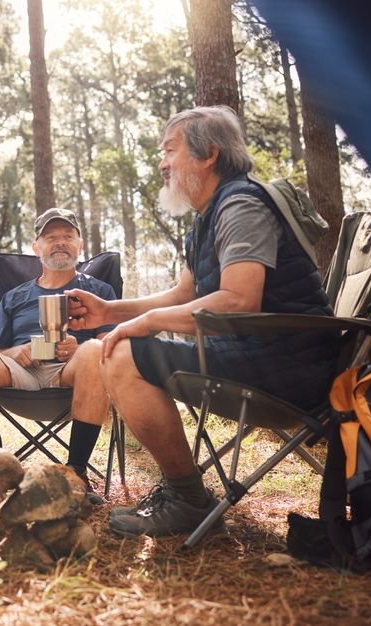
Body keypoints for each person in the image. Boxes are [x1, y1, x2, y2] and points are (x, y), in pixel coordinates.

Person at [64, 105, 339, 537]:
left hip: (286, 370)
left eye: (169, 150)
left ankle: (188, 498)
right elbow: (185, 296)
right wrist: (109, 311)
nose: (161, 162)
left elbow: (238, 301)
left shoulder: (241, 206)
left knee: (122, 355)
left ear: (208, 153)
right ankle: (185, 494)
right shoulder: (207, 218)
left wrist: (149, 323)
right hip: (253, 357)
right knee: (119, 343)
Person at [0, 208, 117, 500]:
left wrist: (80, 348)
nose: (60, 242)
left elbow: (111, 344)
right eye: (51, 237)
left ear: (80, 246)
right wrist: (16, 352)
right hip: (21, 373)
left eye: (68, 236)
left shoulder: (98, 291)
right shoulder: (14, 297)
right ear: (35, 247)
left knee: (94, 350)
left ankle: (76, 475)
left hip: (73, 373)